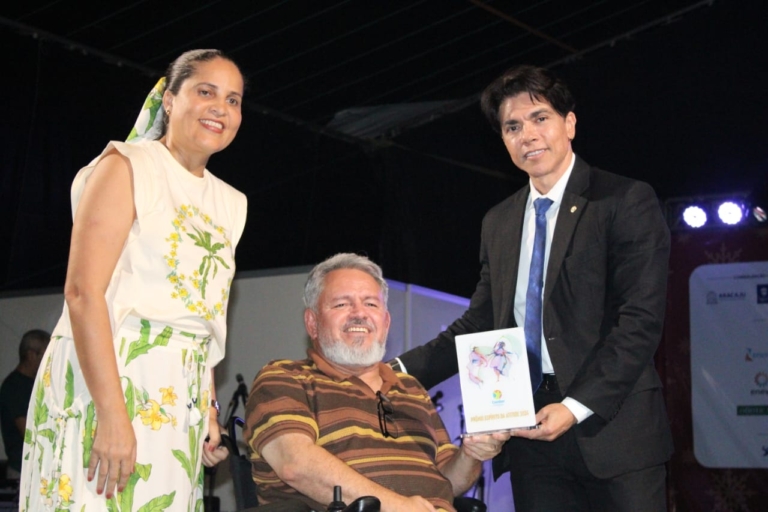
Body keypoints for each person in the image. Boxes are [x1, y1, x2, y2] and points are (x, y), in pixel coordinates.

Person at [394, 65, 674, 511]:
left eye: (540, 118)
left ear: (570, 123)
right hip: (528, 431)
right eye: (512, 127)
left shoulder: (624, 200)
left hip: (614, 431)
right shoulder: (499, 222)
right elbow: (479, 323)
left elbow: (638, 322)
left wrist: (575, 405)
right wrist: (393, 375)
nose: (527, 135)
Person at [19, 49, 247, 511]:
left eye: (233, 99)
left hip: (177, 393)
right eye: (206, 92)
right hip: (109, 374)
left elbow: (202, 316)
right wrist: (110, 413)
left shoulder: (232, 202)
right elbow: (82, 293)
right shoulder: (126, 165)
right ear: (170, 100)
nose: (220, 108)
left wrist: (207, 407)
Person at [244, 253, 509, 512]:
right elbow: (295, 464)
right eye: (341, 304)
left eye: (371, 304)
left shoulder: (412, 390)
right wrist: (397, 506)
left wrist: (471, 454)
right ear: (312, 323)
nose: (359, 313)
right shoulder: (285, 378)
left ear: (386, 322)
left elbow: (448, 483)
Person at [0, 329, 50, 477]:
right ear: (31, 355)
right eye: (46, 355)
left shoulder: (35, 383)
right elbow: (29, 432)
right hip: (24, 472)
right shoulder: (14, 387)